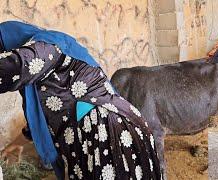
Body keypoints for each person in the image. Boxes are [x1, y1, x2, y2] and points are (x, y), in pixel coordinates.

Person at [0, 21, 161, 180]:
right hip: (106, 132)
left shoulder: (45, 47)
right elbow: (43, 117)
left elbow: (13, 66)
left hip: (108, 135)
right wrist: (16, 143)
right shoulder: (51, 51)